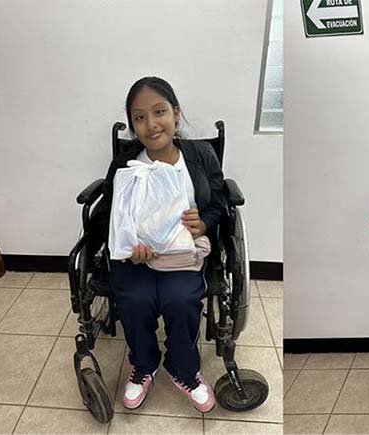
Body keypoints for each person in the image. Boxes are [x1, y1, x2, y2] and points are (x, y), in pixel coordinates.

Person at [89, 76, 224, 412]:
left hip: (181, 254)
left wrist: (204, 221)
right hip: (136, 258)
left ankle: (184, 369)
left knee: (180, 301)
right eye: (139, 117)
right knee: (135, 300)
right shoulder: (127, 164)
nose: (150, 124)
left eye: (159, 111)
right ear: (133, 127)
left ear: (176, 114)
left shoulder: (200, 155)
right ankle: (144, 365)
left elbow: (221, 201)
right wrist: (128, 240)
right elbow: (108, 213)